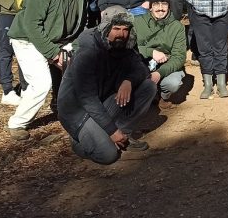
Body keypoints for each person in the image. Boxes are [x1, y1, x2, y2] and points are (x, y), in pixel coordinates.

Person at [6, 0, 88, 140]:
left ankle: (74, 111)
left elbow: (78, 25)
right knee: (41, 84)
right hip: (27, 40)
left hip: (56, 40)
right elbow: (31, 24)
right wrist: (53, 53)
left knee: (82, 66)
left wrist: (73, 47)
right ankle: (17, 123)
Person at [57, 9, 157, 164]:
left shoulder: (125, 45)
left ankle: (122, 134)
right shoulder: (88, 53)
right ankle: (80, 141)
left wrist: (128, 81)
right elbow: (88, 99)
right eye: (116, 29)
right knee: (108, 155)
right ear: (105, 28)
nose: (121, 34)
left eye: (125, 29)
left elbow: (141, 69)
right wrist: (112, 131)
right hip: (78, 114)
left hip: (102, 103)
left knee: (148, 87)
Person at [131, 0, 187, 109]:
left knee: (173, 83)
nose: (160, 8)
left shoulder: (177, 27)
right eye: (156, 4)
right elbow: (130, 48)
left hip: (165, 65)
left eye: (164, 4)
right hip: (142, 63)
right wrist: (151, 52)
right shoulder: (137, 22)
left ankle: (163, 97)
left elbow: (179, 57)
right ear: (150, 7)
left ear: (169, 6)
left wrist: (159, 73)